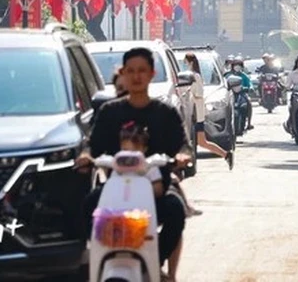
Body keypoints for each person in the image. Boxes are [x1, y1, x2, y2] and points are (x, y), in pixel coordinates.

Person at [75, 47, 191, 282]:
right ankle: (100, 258)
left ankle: (154, 261)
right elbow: (92, 145)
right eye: (131, 71)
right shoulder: (110, 112)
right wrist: (86, 157)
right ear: (124, 74)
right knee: (88, 204)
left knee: (176, 210)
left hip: (155, 192)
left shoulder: (166, 112)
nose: (136, 76)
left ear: (151, 74)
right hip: (115, 192)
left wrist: (182, 157)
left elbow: (183, 145)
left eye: (142, 71)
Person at [182, 52, 234, 170]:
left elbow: (199, 93)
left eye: (186, 62)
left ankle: (225, 154)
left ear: (190, 62)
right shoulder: (193, 76)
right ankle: (225, 155)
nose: (185, 65)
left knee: (197, 141)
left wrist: (189, 93)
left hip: (197, 114)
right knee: (202, 142)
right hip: (194, 113)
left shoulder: (195, 76)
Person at [119, 121, 164, 198]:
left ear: (144, 149)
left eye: (134, 151)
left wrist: (142, 191)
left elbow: (158, 189)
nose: (130, 155)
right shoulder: (118, 167)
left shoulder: (150, 166)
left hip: (144, 203)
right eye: (125, 150)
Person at [226, 57, 253, 131]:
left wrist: (250, 88)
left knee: (249, 103)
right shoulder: (227, 75)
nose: (237, 67)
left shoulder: (244, 75)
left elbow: (249, 83)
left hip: (242, 93)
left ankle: (249, 123)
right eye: (236, 65)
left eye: (239, 65)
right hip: (230, 94)